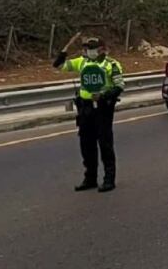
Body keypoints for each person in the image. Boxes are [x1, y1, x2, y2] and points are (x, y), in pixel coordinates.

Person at [53, 33, 125, 192]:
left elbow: (119, 86)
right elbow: (58, 66)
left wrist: (104, 96)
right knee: (86, 145)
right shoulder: (82, 62)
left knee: (105, 143)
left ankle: (109, 178)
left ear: (101, 49)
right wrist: (63, 52)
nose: (87, 51)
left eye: (91, 48)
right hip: (85, 109)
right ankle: (90, 178)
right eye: (86, 48)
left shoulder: (111, 65)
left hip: (103, 108)